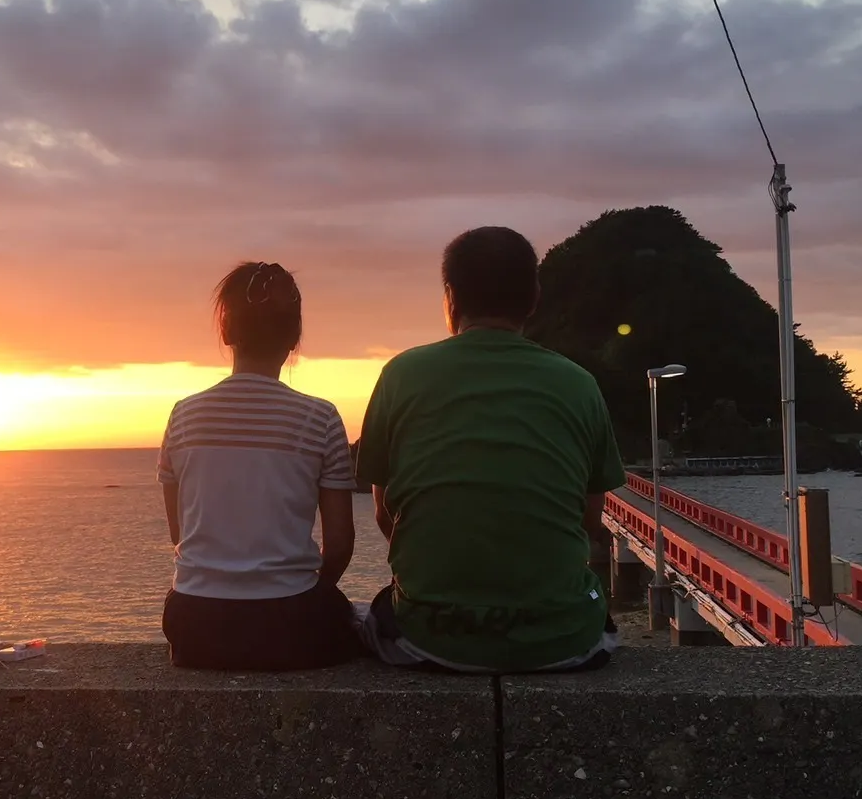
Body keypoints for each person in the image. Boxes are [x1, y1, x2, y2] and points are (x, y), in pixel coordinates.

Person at [355, 227, 625, 673]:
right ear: (533, 298)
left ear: (450, 298)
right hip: (560, 640)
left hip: (430, 638)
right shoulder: (579, 384)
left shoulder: (401, 375)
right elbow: (588, 521)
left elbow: (386, 516)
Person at [158, 261, 361, 670]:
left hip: (194, 624)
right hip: (289, 622)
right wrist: (301, 590)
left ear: (226, 331)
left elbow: (181, 534)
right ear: (294, 337)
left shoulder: (184, 415)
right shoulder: (320, 418)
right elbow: (339, 544)